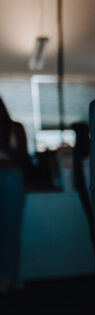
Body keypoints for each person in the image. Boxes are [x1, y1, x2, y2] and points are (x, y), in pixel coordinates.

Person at [0, 98, 28, 295]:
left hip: (11, 176)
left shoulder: (14, 129)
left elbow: (22, 158)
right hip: (11, 176)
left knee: (10, 231)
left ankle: (9, 277)